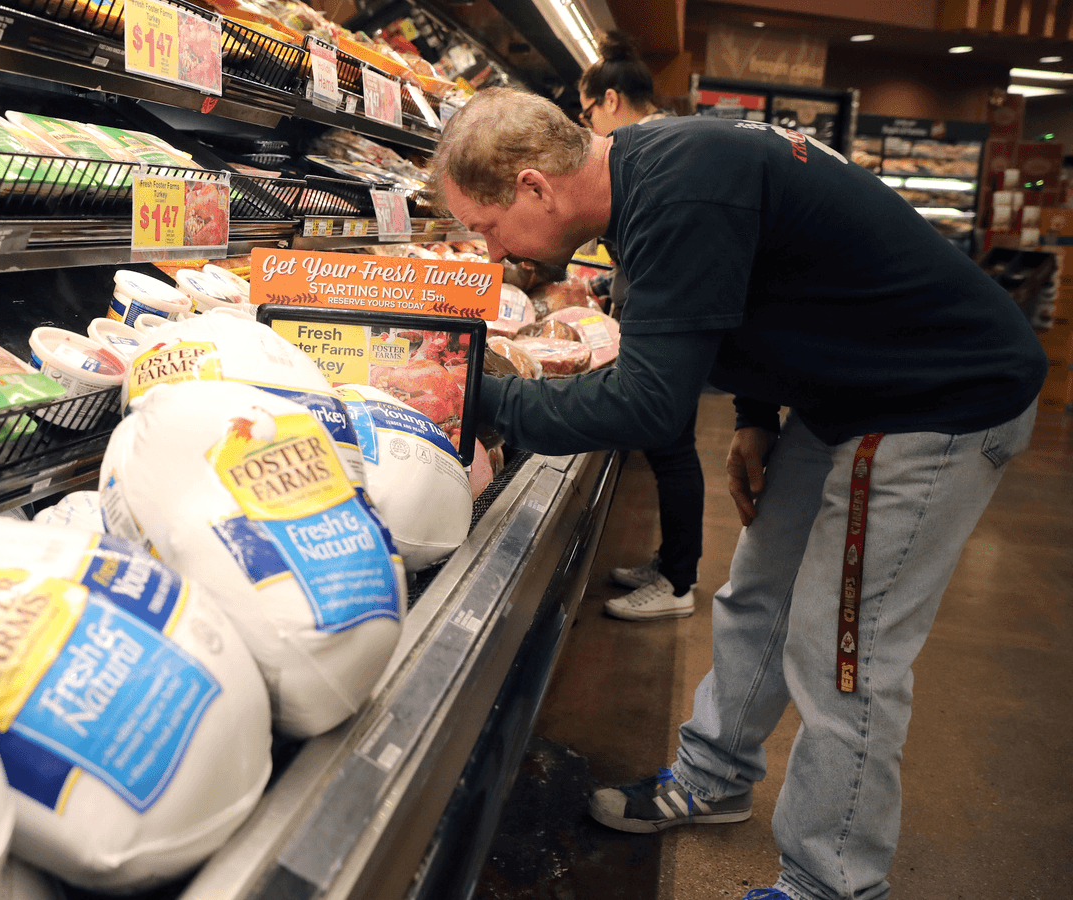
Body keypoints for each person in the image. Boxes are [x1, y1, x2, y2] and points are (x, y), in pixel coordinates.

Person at [431, 87, 1045, 900]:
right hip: (847, 392)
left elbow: (648, 405)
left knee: (843, 651)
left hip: (932, 401)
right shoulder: (649, 168)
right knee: (758, 594)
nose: (496, 250)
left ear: (535, 187)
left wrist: (472, 399)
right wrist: (757, 416)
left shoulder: (679, 190)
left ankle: (832, 884)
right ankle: (713, 777)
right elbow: (755, 287)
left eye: (487, 225)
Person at [577, 32, 702, 621]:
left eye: (585, 111)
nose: (587, 125)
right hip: (665, 307)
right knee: (668, 443)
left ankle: (679, 581)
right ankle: (671, 561)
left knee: (671, 444)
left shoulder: (632, 146)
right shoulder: (673, 133)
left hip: (667, 315)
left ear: (608, 99)